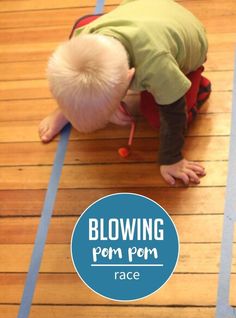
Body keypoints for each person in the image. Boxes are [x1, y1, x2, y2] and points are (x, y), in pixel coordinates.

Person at [39, 0, 211, 185]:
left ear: (130, 77)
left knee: (157, 117)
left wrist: (172, 159)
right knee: (80, 34)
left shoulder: (156, 66)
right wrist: (69, 107)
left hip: (188, 40)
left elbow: (174, 116)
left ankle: (199, 85)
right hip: (141, 10)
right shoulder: (83, 36)